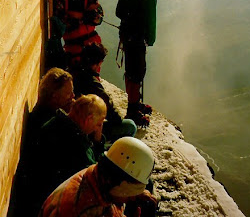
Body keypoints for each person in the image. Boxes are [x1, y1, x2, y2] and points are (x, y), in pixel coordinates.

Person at [7, 68, 75, 217]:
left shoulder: (45, 115)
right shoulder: (51, 126)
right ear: (54, 96)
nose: (73, 97)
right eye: (69, 94)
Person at [28, 94, 107, 216]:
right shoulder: (79, 148)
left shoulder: (55, 122)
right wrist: (98, 142)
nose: (98, 129)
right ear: (88, 119)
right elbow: (96, 174)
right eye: (99, 124)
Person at [39, 137, 157, 217]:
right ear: (118, 186)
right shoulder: (85, 210)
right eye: (129, 193)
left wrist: (133, 194)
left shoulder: (99, 175)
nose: (131, 197)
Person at [116, 0, 157, 127]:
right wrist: (151, 38)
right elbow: (151, 15)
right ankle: (133, 110)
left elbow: (118, 12)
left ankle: (134, 103)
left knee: (131, 70)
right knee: (138, 71)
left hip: (127, 36)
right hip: (139, 37)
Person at [72, 42, 137, 143]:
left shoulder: (73, 72)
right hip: (86, 130)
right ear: (98, 63)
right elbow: (113, 114)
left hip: (74, 124)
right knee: (130, 126)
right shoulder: (93, 84)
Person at [53, 0, 104, 67]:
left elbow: (98, 18)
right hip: (73, 46)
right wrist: (87, 16)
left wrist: (76, 15)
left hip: (92, 44)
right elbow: (62, 22)